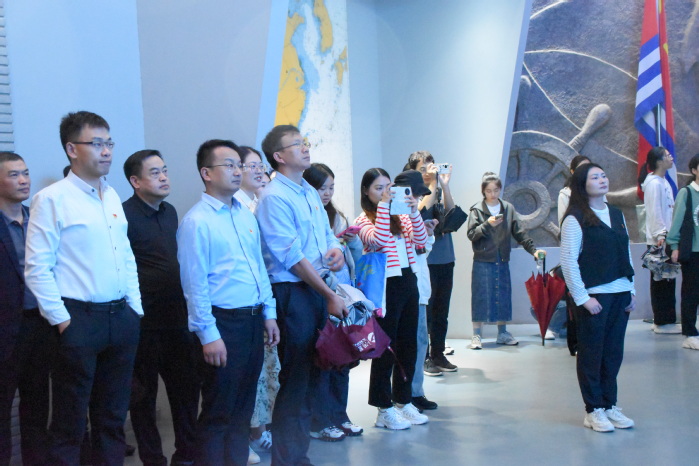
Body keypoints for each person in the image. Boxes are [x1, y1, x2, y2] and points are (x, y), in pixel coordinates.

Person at [25, 111, 143, 464]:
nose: (106, 151)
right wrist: (63, 321)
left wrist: (135, 308)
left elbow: (126, 255)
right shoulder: (51, 199)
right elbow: (37, 268)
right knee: (70, 422)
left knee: (112, 418)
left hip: (120, 317)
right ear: (72, 149)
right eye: (97, 143)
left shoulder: (111, 195)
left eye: (109, 143)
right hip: (79, 320)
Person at [177, 139, 279, 465]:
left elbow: (258, 268)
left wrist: (269, 313)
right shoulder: (197, 222)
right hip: (222, 325)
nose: (238, 171)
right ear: (206, 173)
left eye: (240, 165)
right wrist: (208, 335)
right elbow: (194, 286)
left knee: (242, 410)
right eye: (230, 165)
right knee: (218, 411)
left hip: (252, 321)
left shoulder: (245, 216)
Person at [255, 125, 347, 466]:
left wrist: (335, 250)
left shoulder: (307, 189)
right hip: (293, 293)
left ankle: (299, 456)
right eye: (297, 144)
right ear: (279, 156)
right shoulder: (274, 197)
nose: (305, 148)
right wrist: (328, 295)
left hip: (317, 288)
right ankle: (286, 460)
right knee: (295, 380)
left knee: (313, 377)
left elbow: (325, 234)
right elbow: (291, 257)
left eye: (304, 142)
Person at [122, 150, 199, 466]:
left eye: (165, 170)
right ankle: (153, 459)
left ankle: (186, 456)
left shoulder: (170, 212)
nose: (164, 177)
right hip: (143, 324)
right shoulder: (123, 215)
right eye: (155, 173)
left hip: (177, 319)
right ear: (135, 181)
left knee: (186, 392)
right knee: (143, 398)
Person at [560, 162, 636, 432]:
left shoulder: (616, 213)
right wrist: (583, 298)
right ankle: (593, 409)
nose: (603, 180)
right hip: (594, 297)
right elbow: (568, 261)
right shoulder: (575, 218)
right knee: (592, 354)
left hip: (620, 294)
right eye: (595, 177)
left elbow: (625, 252)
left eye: (604, 175)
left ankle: (609, 404)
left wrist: (631, 288)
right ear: (582, 184)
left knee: (613, 353)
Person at [355, 168, 429, 430]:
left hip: (408, 281)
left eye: (388, 187)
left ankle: (403, 400)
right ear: (366, 191)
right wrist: (385, 206)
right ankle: (383, 408)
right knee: (386, 348)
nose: (384, 192)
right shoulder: (363, 220)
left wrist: (414, 210)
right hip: (385, 287)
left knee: (409, 345)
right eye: (378, 188)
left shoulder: (402, 216)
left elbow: (421, 241)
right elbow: (380, 241)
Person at [0, 152, 55, 466]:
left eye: (25, 173)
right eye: (13, 175)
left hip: (40, 326)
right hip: (5, 328)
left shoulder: (38, 220)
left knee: (37, 408)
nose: (23, 181)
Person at [303, 163, 364, 441]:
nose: (327, 193)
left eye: (331, 188)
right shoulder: (306, 215)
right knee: (324, 359)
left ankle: (340, 415)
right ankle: (320, 420)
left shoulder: (337, 216)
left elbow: (353, 258)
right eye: (321, 188)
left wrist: (348, 241)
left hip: (343, 294)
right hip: (319, 294)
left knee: (344, 358)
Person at [235, 146, 280, 459]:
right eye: (251, 166)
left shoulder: (256, 202)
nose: (259, 171)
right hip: (239, 305)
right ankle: (244, 436)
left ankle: (258, 430)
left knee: (265, 372)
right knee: (245, 376)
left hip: (263, 298)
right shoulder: (236, 206)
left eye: (260, 165)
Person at [466, 172, 545, 349]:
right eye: (488, 191)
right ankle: (476, 335)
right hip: (482, 259)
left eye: (495, 190)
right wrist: (487, 224)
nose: (492, 194)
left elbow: (519, 233)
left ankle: (502, 333)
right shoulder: (477, 210)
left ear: (500, 189)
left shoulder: (508, 208)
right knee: (480, 297)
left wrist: (533, 251)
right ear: (483, 191)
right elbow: (471, 234)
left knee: (502, 296)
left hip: (502, 258)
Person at [408, 151, 458, 372]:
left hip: (446, 257)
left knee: (441, 312)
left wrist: (444, 185)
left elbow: (452, 214)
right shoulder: (412, 195)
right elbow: (421, 213)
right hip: (425, 260)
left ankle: (438, 354)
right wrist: (432, 185)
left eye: (431, 167)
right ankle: (425, 357)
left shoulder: (438, 190)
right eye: (423, 169)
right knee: (425, 313)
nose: (428, 172)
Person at [639, 147, 680, 334]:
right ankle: (662, 322)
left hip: (666, 236)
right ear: (658, 161)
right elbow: (655, 211)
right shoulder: (654, 184)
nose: (671, 158)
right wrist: (661, 235)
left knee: (668, 279)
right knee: (661, 280)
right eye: (667, 156)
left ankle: (667, 320)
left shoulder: (662, 181)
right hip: (660, 239)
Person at [668, 153, 699, 350]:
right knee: (691, 292)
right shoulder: (687, 193)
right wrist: (674, 245)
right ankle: (690, 332)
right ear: (694, 170)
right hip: (693, 251)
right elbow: (677, 221)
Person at [558, 155, 591, 225]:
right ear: (572, 171)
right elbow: (563, 223)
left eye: (588, 167)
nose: (586, 171)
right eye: (581, 168)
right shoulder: (565, 195)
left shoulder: (597, 191)